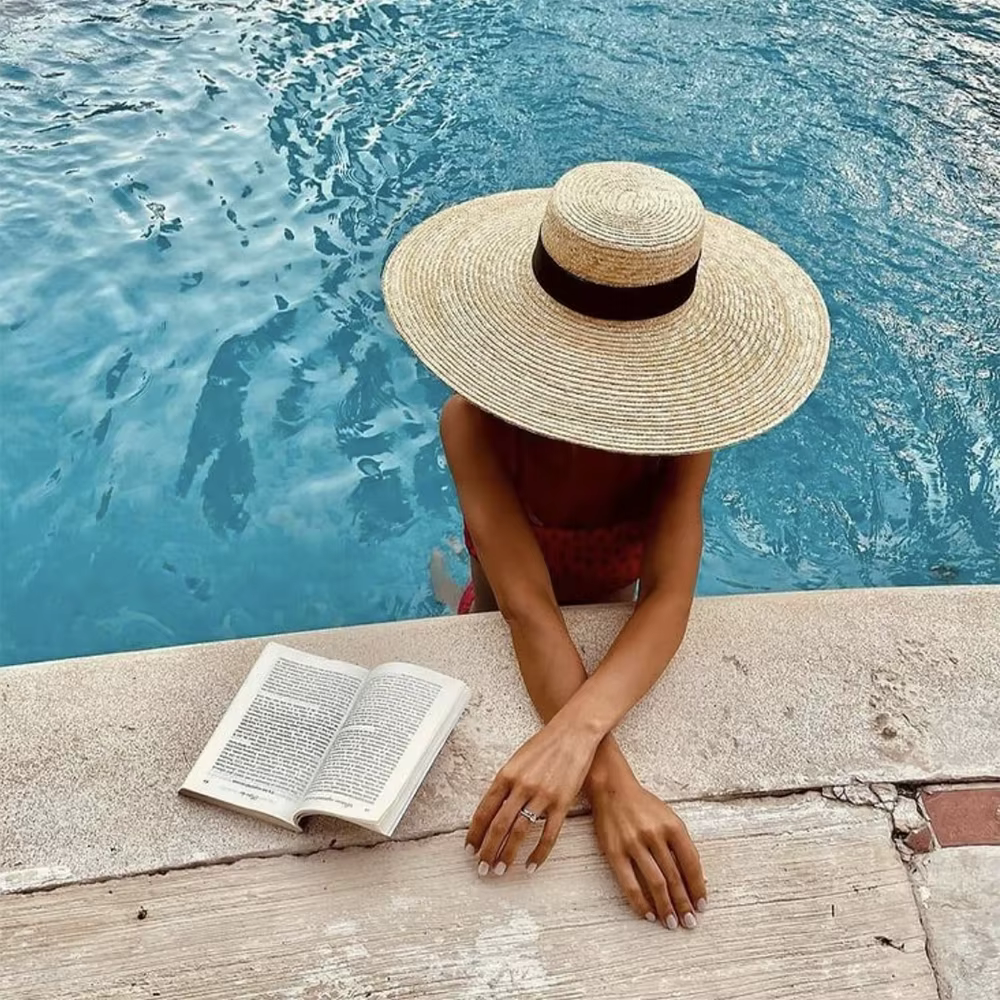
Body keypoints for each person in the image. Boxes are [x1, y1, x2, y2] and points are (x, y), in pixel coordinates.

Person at [382, 161, 830, 929]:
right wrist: (613, 785)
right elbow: (525, 609)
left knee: (485, 584)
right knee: (478, 599)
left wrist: (578, 738)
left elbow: (668, 595)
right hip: (504, 609)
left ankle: (453, 572)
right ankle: (453, 578)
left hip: (595, 619)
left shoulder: (680, 438)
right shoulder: (473, 425)